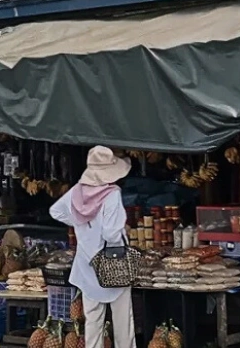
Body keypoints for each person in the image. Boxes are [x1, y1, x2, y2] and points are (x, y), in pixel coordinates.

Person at [50, 146, 136, 348]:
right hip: (113, 261)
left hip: (86, 263)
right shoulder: (112, 195)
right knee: (122, 319)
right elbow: (111, 234)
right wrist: (123, 233)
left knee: (93, 320)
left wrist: (79, 222)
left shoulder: (76, 192)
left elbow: (56, 211)